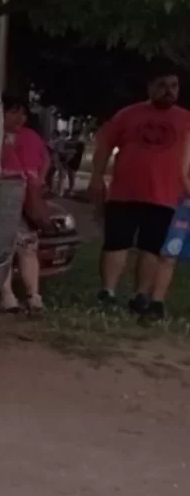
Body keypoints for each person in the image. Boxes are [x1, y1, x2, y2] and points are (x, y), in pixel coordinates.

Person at [88, 70, 190, 321]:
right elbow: (104, 146)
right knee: (116, 243)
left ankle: (141, 296)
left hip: (166, 195)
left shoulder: (186, 119)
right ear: (150, 87)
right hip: (124, 192)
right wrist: (97, 176)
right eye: (163, 85)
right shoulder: (128, 114)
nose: (169, 90)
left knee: (152, 248)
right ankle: (108, 292)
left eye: (174, 85)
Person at [0, 95, 50, 313]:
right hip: (2, 199)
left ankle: (33, 295)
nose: (19, 118)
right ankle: (6, 294)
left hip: (27, 201)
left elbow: (45, 160)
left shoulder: (31, 137)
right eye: (13, 112)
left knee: (28, 248)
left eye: (22, 113)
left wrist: (40, 180)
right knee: (3, 249)